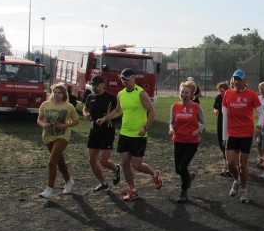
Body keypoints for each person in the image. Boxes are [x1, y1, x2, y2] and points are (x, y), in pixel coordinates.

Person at [96, 68, 162, 202]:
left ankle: (154, 174)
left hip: (138, 135)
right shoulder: (121, 94)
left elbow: (152, 112)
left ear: (134, 78)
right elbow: (118, 110)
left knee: (136, 165)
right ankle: (133, 190)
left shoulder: (141, 93)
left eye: (127, 78)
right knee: (125, 162)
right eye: (122, 79)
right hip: (124, 134)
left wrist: (145, 128)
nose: (125, 81)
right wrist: (105, 119)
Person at [222, 69, 264, 204]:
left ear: (245, 80)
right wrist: (224, 136)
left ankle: (244, 192)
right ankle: (236, 181)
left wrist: (259, 126)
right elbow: (225, 117)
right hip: (232, 133)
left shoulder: (251, 95)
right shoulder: (228, 94)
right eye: (235, 79)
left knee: (243, 164)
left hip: (246, 133)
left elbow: (262, 113)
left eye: (239, 79)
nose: (236, 81)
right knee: (230, 163)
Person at [37, 83, 80, 198]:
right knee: (59, 161)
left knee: (51, 162)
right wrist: (43, 124)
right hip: (48, 136)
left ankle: (49, 189)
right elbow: (39, 119)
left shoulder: (68, 106)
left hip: (63, 136)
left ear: (64, 95)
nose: (56, 94)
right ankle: (69, 181)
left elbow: (76, 121)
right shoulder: (45, 105)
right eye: (54, 92)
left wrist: (65, 126)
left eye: (59, 93)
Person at [82, 75, 121, 192]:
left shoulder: (110, 98)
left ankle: (116, 169)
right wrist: (85, 114)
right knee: (92, 159)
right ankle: (103, 183)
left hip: (107, 130)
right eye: (92, 85)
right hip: (94, 131)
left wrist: (107, 118)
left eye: (97, 85)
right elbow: (85, 108)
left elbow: (118, 112)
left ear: (103, 85)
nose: (94, 87)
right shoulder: (90, 97)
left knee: (103, 161)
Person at [169, 80, 206, 203]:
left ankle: (183, 190)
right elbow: (172, 122)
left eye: (187, 93)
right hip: (178, 140)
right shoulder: (175, 106)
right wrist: (171, 129)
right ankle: (188, 178)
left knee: (183, 166)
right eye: (182, 92)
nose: (184, 94)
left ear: (191, 95)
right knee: (177, 170)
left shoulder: (196, 107)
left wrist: (198, 130)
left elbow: (204, 123)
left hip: (192, 141)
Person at [213, 81, 231, 177]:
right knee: (221, 144)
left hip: (230, 124)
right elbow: (215, 107)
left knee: (228, 144)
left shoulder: (232, 98)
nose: (221, 93)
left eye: (223, 91)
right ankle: (227, 165)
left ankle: (228, 166)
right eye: (220, 91)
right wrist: (215, 110)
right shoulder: (218, 97)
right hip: (220, 123)